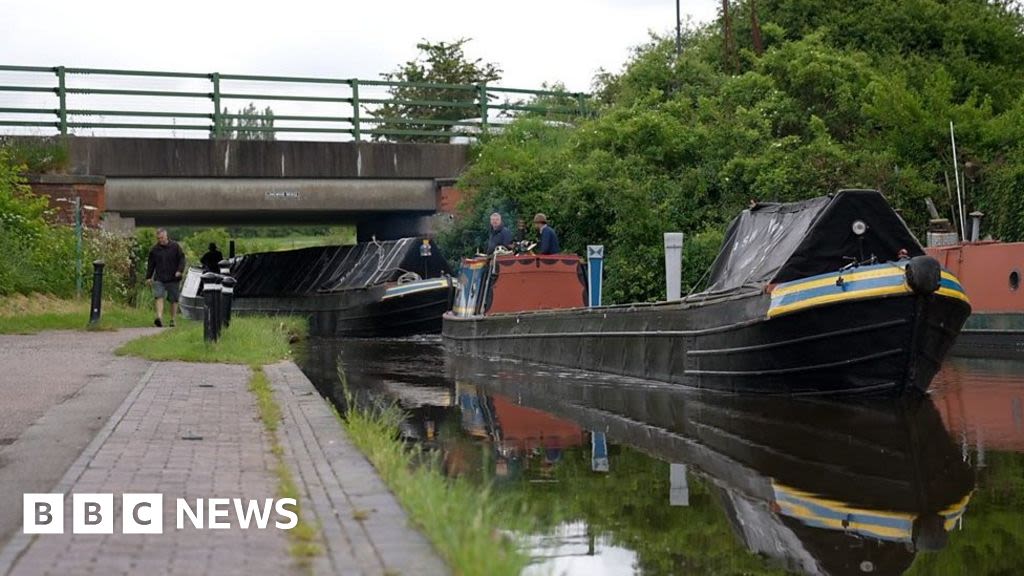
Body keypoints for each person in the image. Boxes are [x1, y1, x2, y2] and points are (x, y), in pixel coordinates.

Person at [145, 228, 186, 327]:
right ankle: (159, 318)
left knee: (173, 300)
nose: (160, 240)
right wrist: (148, 277)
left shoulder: (175, 246)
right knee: (158, 296)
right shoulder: (154, 250)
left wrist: (179, 271)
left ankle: (173, 319)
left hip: (173, 278)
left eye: (162, 238)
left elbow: (182, 259)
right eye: (158, 238)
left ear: (166, 236)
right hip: (159, 277)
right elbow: (151, 264)